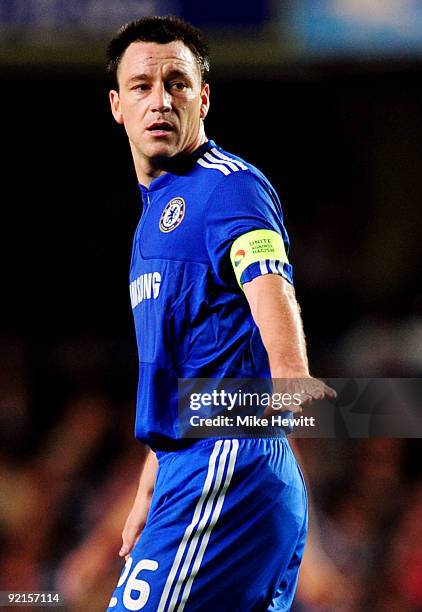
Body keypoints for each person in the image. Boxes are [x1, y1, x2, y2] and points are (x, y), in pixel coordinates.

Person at [105, 15, 335, 612]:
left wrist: (289, 368)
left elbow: (265, 270)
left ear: (202, 98)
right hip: (201, 467)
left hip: (226, 460)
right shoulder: (151, 217)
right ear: (117, 106)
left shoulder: (228, 186)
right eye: (142, 86)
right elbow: (182, 364)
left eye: (177, 83)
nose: (161, 100)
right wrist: (152, 475)